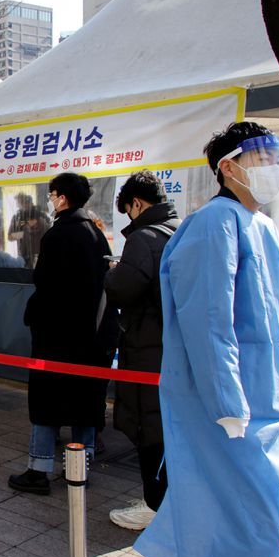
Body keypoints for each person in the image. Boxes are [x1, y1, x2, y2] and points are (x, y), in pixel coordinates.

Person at [133, 122, 279, 557]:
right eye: (260, 158)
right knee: (252, 522)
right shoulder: (213, 224)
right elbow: (209, 321)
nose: (274, 169)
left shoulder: (255, 226)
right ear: (227, 168)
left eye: (276, 156)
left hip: (266, 406)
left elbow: (272, 325)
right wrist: (228, 404)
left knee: (235, 520)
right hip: (228, 410)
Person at [8, 173, 118, 495]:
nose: (51, 200)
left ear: (63, 199)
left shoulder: (58, 235)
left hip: (56, 339)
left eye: (53, 194)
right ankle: (78, 470)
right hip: (89, 339)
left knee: (47, 404)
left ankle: (39, 469)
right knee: (84, 405)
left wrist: (35, 317)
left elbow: (45, 285)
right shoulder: (97, 234)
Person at [104, 171, 179, 531]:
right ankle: (173, 501)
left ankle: (156, 504)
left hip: (149, 346)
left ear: (137, 204)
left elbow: (123, 290)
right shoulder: (181, 230)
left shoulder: (143, 238)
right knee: (173, 428)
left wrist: (112, 273)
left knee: (150, 427)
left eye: (128, 210)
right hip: (178, 345)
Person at [8, 192, 51, 268]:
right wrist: (25, 232)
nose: (20, 205)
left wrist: (39, 223)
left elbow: (51, 233)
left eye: (22, 202)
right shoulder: (17, 218)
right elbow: (10, 237)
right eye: (19, 203)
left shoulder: (41, 215)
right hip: (24, 256)